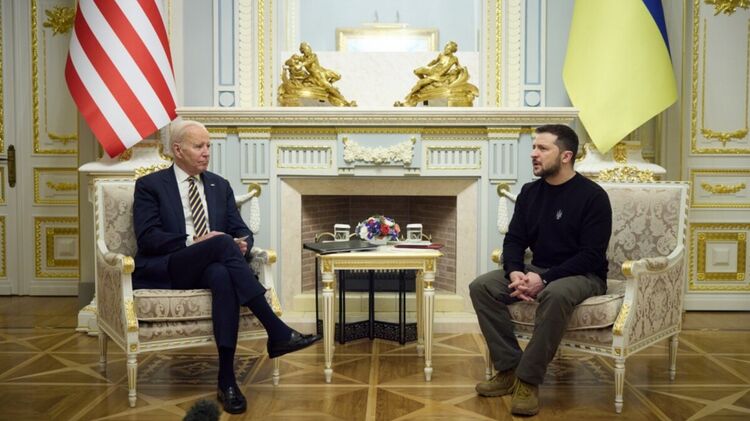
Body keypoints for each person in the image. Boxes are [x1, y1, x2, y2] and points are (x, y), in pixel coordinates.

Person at [133, 120, 321, 415]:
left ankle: (227, 381)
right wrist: (193, 240)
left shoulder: (219, 185)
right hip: (171, 266)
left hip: (212, 268)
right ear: (178, 150)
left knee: (222, 273)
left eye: (209, 146)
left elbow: (241, 229)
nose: (206, 152)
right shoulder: (150, 185)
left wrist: (243, 243)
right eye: (199, 146)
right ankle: (276, 329)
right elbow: (147, 237)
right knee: (220, 243)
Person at [469, 124, 612, 416]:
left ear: (566, 156)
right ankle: (509, 368)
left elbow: (591, 255)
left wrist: (544, 279)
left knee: (555, 294)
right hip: (538, 268)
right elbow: (514, 240)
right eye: (533, 147)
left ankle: (528, 380)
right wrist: (514, 272)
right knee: (481, 286)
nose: (533, 153)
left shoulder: (593, 197)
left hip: (583, 275)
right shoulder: (529, 192)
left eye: (542, 148)